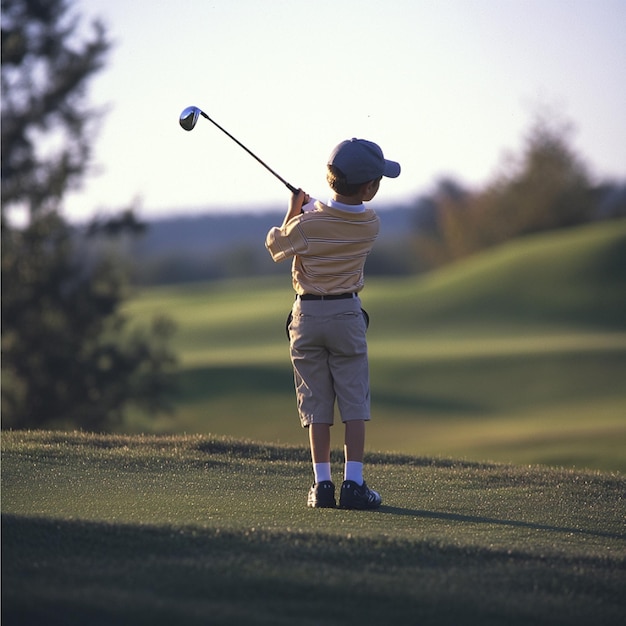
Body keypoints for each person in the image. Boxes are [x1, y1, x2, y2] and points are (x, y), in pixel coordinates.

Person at [265, 138, 401, 509]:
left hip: (307, 317)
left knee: (316, 402)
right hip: (347, 315)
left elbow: (276, 245)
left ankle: (322, 485)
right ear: (369, 188)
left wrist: (295, 211)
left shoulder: (309, 224)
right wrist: (311, 212)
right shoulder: (371, 224)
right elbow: (339, 220)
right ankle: (353, 483)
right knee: (354, 401)